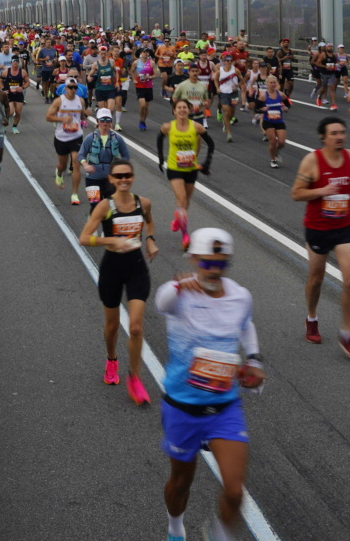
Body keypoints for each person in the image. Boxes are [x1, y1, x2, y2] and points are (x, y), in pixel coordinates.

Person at [154, 228, 264, 541]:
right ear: (193, 259)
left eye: (221, 263)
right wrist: (180, 282)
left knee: (234, 490)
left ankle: (218, 536)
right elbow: (162, 302)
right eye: (206, 263)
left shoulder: (240, 295)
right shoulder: (179, 295)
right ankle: (176, 529)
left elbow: (246, 325)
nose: (214, 270)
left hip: (223, 407)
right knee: (180, 483)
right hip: (182, 406)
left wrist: (254, 360)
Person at [77, 159, 156, 404]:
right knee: (111, 326)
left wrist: (151, 239)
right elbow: (84, 238)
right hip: (112, 269)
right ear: (111, 179)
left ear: (132, 177)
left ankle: (135, 377)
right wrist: (112, 241)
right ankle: (112, 359)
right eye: (119, 176)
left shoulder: (143, 203)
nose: (124, 179)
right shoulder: (104, 207)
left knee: (135, 327)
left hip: (136, 269)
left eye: (128, 175)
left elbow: (150, 222)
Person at [291, 117, 350, 361]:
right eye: (334, 133)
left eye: (342, 133)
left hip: (345, 226)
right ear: (323, 137)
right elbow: (296, 193)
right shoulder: (312, 161)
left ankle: (347, 334)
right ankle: (311, 318)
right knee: (316, 279)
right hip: (318, 227)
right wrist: (321, 191)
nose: (340, 137)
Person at [156, 97, 214, 245]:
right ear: (174, 111)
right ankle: (185, 235)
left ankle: (178, 218)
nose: (182, 110)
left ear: (189, 110)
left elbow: (211, 144)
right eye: (179, 108)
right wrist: (161, 158)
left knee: (186, 203)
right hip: (174, 168)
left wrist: (206, 163)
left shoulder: (197, 127)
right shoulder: (168, 127)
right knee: (181, 199)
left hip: (191, 168)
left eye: (185, 107)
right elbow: (159, 139)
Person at [45, 77, 88, 201]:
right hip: (61, 137)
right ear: (65, 88)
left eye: (75, 87)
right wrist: (62, 119)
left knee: (76, 163)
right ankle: (59, 173)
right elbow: (48, 117)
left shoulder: (81, 101)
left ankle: (75, 194)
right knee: (62, 165)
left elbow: (82, 117)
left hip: (76, 136)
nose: (73, 90)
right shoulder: (59, 101)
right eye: (70, 87)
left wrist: (85, 117)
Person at [80, 108, 130, 206]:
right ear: (98, 121)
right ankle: (92, 220)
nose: (105, 123)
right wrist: (85, 165)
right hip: (92, 179)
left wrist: (119, 169)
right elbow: (81, 155)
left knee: (111, 207)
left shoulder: (117, 138)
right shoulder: (90, 138)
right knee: (95, 207)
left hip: (111, 180)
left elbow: (126, 155)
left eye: (108, 120)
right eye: (102, 120)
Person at [260, 76, 290, 168]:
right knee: (273, 141)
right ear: (267, 84)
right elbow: (257, 107)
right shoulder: (263, 95)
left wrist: (286, 108)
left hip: (279, 120)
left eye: (274, 83)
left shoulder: (280, 94)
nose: (273, 84)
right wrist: (263, 109)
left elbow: (288, 104)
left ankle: (276, 151)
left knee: (281, 142)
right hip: (268, 121)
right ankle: (273, 160)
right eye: (271, 83)